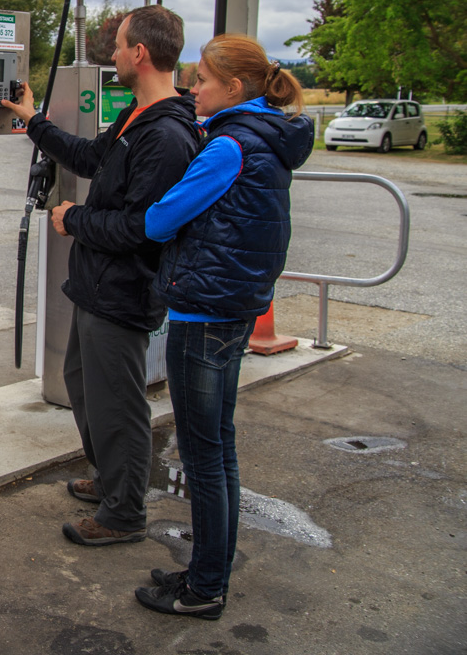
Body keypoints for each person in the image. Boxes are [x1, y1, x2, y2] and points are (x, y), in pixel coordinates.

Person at [2, 5, 201, 547]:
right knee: (84, 386)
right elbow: (91, 158)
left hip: (124, 289)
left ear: (140, 53)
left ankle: (124, 513)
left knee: (119, 403)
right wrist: (32, 120)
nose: (111, 55)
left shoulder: (168, 136)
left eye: (118, 45)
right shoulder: (137, 117)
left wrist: (74, 220)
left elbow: (143, 226)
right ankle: (112, 480)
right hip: (96, 285)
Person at [134, 35, 313, 619]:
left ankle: (205, 587)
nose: (193, 90)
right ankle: (209, 567)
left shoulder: (229, 147)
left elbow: (159, 221)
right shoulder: (266, 138)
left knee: (204, 455)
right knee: (220, 448)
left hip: (202, 315)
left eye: (203, 80)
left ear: (234, 88)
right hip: (235, 309)